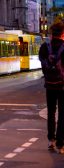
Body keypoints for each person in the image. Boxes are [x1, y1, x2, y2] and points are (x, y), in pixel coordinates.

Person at [39, 21, 64, 154]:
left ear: (51, 34)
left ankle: (51, 140)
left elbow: (42, 64)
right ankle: (60, 144)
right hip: (62, 85)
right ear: (62, 33)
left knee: (51, 112)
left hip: (49, 84)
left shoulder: (44, 47)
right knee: (62, 114)